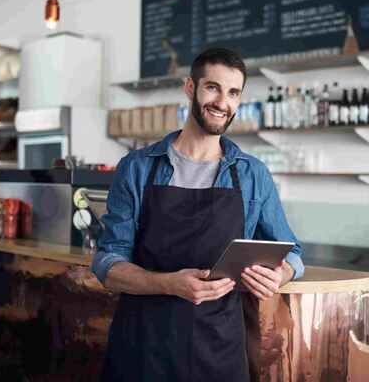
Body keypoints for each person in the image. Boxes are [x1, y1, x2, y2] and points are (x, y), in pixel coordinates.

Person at [92, 47, 304, 381]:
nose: (223, 102)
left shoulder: (253, 175)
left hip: (220, 348)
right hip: (144, 349)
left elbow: (292, 252)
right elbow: (107, 264)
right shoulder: (137, 168)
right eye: (213, 88)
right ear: (190, 88)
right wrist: (168, 284)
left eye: (233, 92)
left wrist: (282, 274)